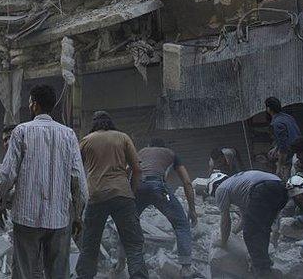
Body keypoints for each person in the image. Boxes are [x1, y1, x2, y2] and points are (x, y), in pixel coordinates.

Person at [0, 85, 87, 279]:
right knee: (57, 273)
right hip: (59, 218)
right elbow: (78, 179)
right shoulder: (68, 134)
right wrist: (77, 214)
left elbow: (7, 174)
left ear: (34, 104)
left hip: (26, 217)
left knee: (23, 272)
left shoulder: (21, 131)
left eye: (29, 101)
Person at [76, 111, 148, 279]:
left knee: (90, 243)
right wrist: (132, 192)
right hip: (122, 194)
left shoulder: (86, 140)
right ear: (110, 123)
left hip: (96, 196)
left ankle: (85, 275)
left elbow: (76, 169)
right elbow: (137, 170)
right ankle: (138, 276)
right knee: (133, 243)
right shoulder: (123, 137)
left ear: (94, 124)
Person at [135, 139, 197, 278]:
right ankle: (186, 268)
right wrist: (192, 209)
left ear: (149, 146)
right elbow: (187, 182)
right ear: (164, 147)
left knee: (129, 224)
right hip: (160, 190)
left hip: (138, 188)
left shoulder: (141, 152)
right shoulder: (171, 154)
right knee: (181, 224)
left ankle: (121, 262)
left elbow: (129, 171)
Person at [208, 169, 287, 277]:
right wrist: (233, 234)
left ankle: (262, 271)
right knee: (262, 229)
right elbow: (244, 219)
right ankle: (265, 265)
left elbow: (225, 220)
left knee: (251, 233)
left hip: (263, 189)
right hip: (280, 188)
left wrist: (223, 241)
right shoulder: (238, 187)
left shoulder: (221, 189)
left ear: (214, 187)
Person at [265, 97, 301, 178]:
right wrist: (276, 148)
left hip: (291, 160)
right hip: (299, 153)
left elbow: (283, 148)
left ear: (268, 109)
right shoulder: (288, 117)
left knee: (287, 183)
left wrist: (279, 167)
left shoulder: (276, 124)